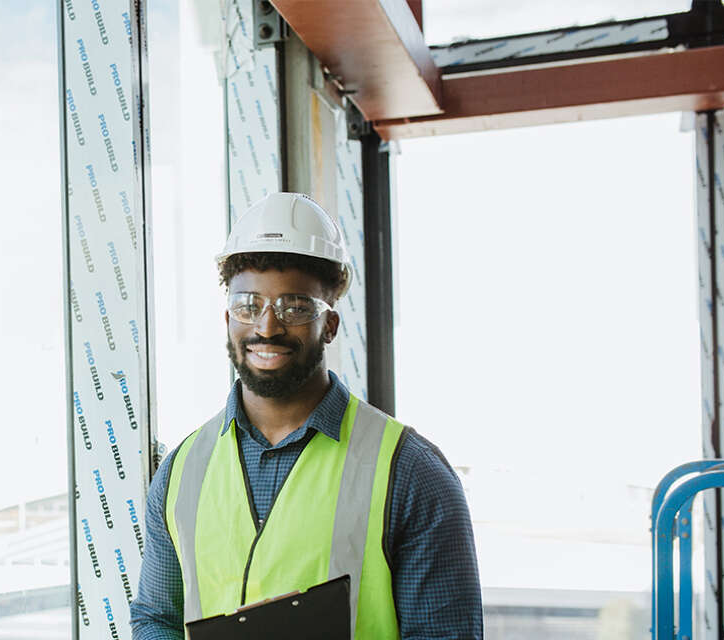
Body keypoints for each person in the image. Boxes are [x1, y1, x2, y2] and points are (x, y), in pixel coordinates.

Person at [129, 192, 482, 639]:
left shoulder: (410, 471)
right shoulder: (182, 471)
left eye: (294, 306)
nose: (267, 326)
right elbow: (156, 617)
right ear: (227, 318)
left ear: (329, 325)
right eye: (248, 305)